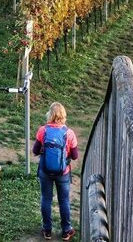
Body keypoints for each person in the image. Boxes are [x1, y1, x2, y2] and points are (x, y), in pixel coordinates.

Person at [33, 102, 79, 240]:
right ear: (63, 115)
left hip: (45, 171)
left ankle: (47, 230)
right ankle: (66, 231)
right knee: (64, 200)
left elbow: (35, 151)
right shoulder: (69, 133)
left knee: (46, 199)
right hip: (63, 172)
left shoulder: (43, 131)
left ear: (50, 114)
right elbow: (75, 156)